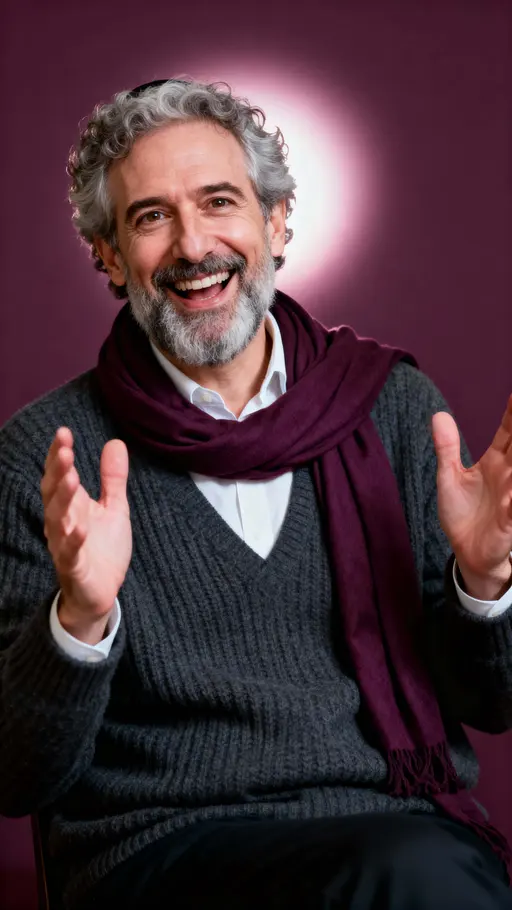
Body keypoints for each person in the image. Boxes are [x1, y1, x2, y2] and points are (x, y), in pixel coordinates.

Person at [1, 77, 512, 910]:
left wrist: (485, 587)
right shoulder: (47, 456)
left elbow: (491, 703)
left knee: (415, 869)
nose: (194, 245)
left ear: (275, 223)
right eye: (151, 217)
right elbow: (17, 774)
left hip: (392, 823)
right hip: (161, 850)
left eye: (219, 203)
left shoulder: (394, 409)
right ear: (106, 253)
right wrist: (80, 621)